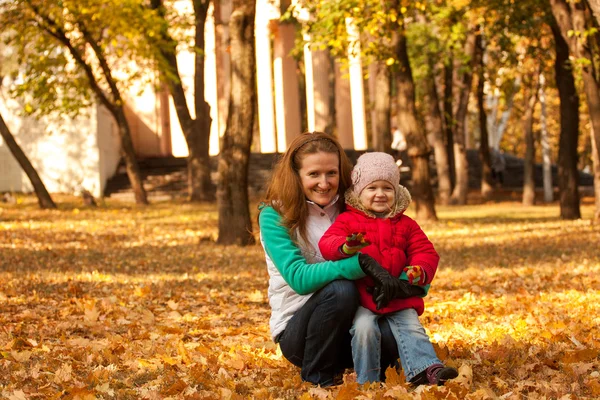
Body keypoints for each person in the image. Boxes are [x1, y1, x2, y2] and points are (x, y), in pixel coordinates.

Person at [257, 132, 402, 387]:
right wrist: (358, 265)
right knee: (340, 289)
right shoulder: (274, 215)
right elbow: (299, 279)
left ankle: (369, 370)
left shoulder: (353, 208)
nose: (324, 183)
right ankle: (319, 378)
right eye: (314, 174)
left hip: (355, 323)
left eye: (331, 173)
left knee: (394, 336)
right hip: (299, 332)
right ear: (296, 175)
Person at [319, 152, 458, 386]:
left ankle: (426, 369)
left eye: (387, 188)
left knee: (411, 327)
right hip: (365, 297)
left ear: (396, 191)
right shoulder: (347, 221)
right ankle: (368, 380)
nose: (380, 194)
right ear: (359, 192)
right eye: (372, 188)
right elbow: (327, 243)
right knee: (363, 329)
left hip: (398, 295)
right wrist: (346, 246)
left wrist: (413, 274)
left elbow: (426, 252)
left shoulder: (406, 224)